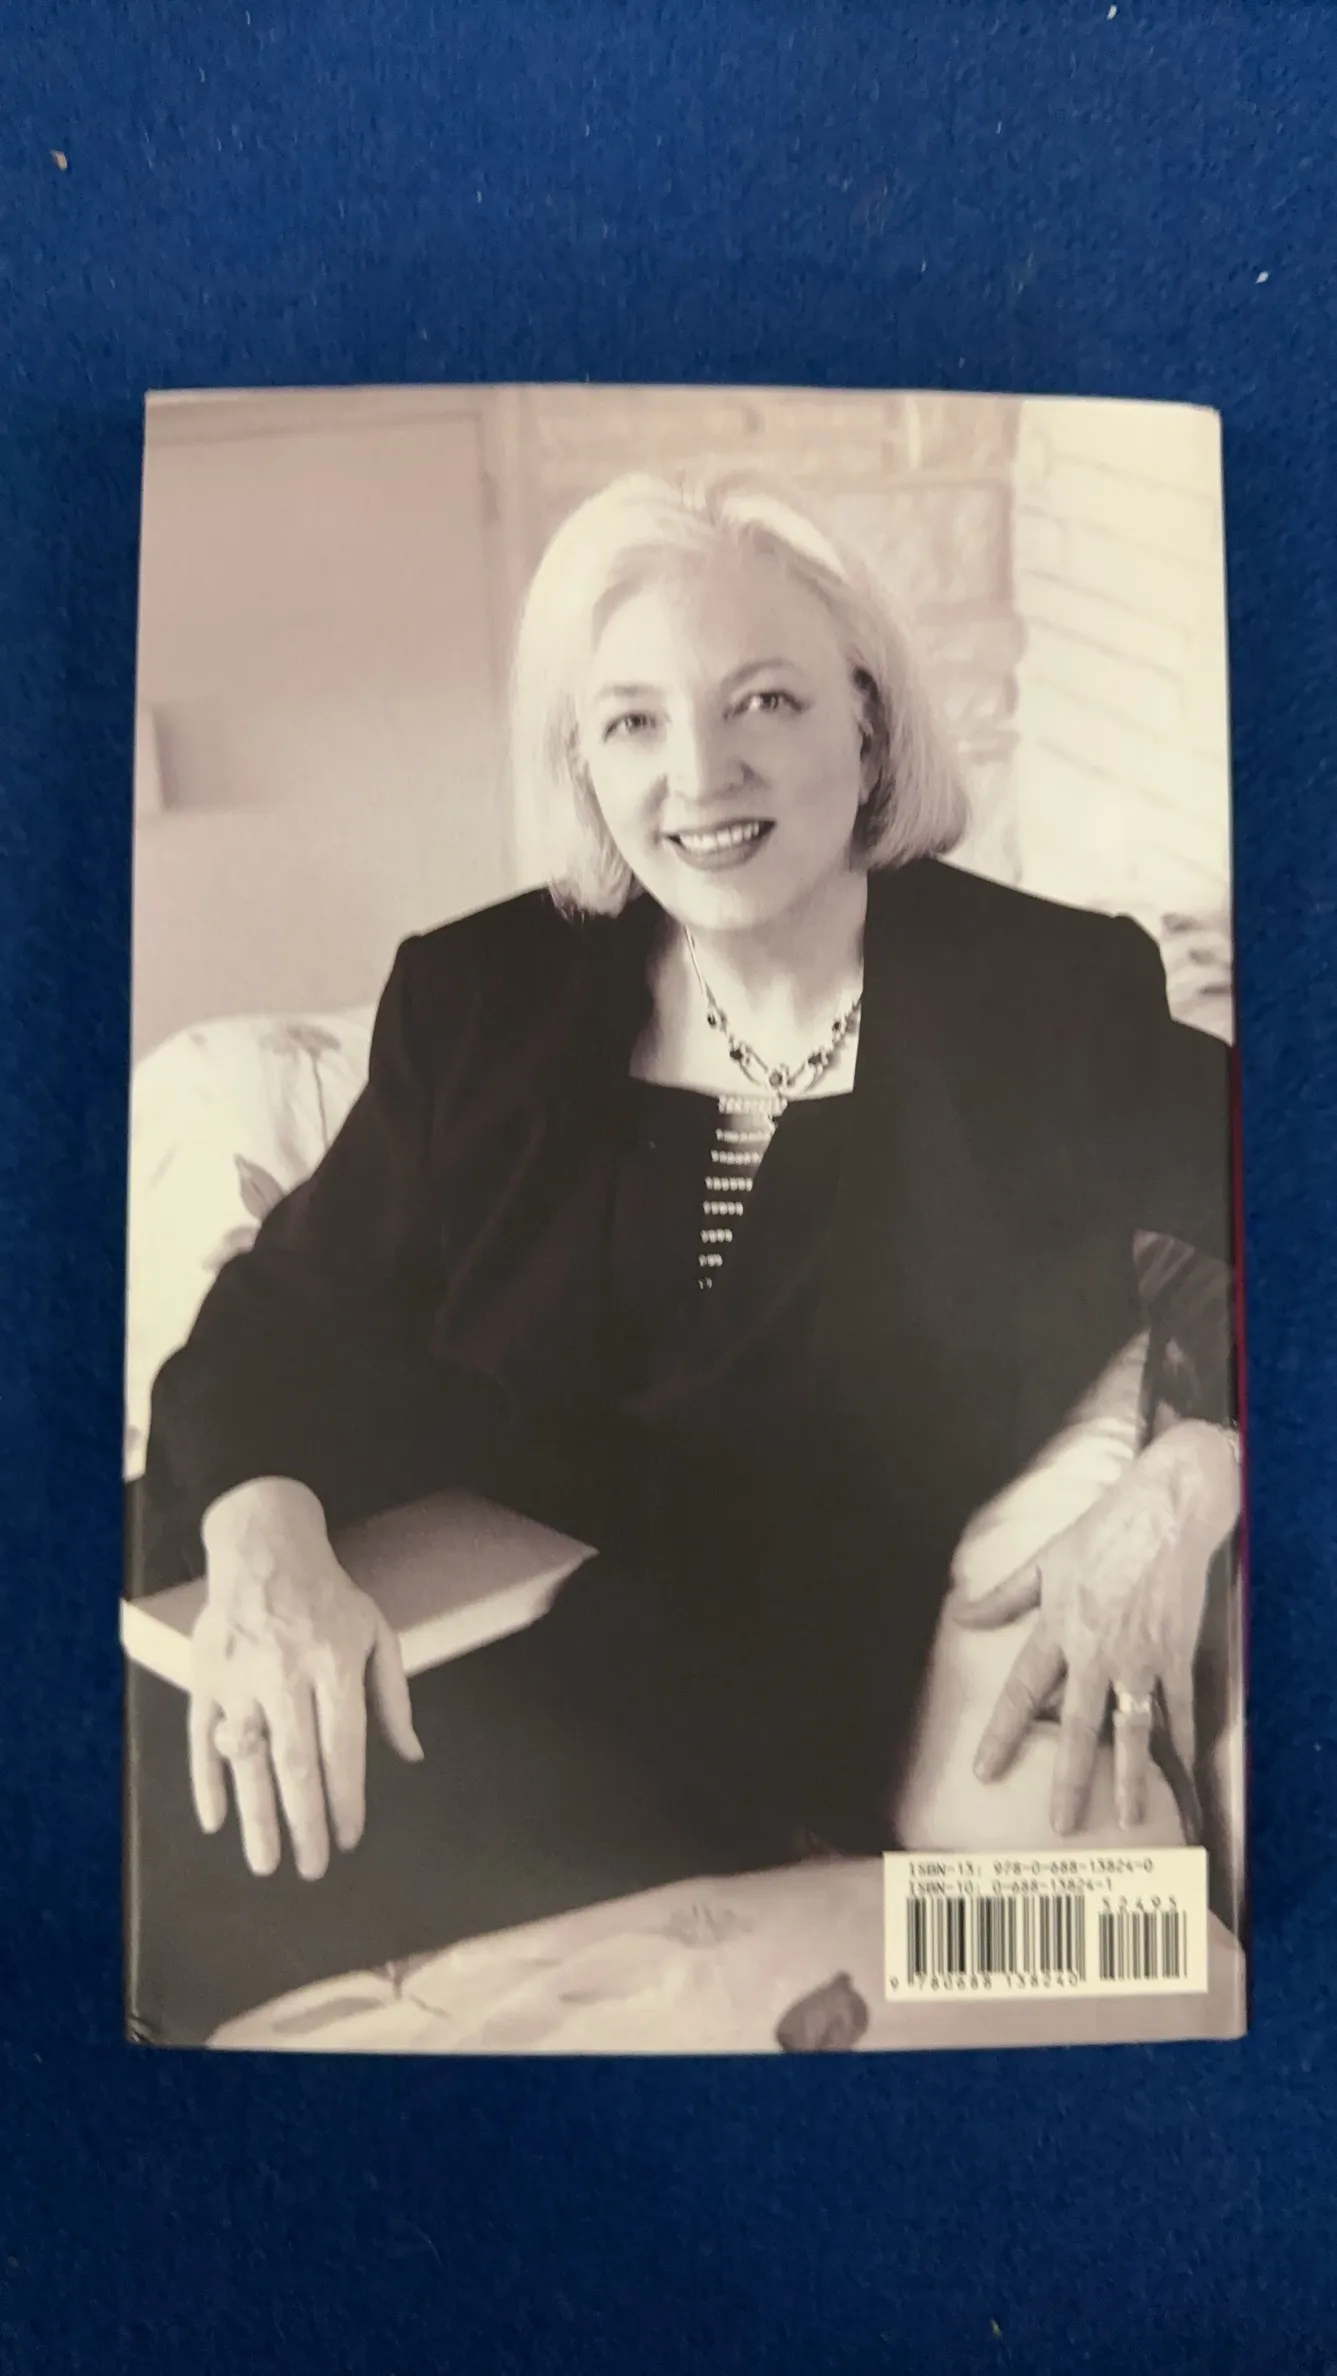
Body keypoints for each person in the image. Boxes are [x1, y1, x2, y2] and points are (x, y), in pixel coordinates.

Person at [130, 468, 1242, 2038]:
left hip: (658, 1718)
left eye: (764, 701)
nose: (700, 775)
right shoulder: (481, 994)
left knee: (143, 1886)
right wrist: (268, 1552)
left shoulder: (1043, 1001)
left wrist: (1195, 1474)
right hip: (363, 1597)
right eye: (633, 721)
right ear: (582, 762)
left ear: (869, 725)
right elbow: (275, 1321)